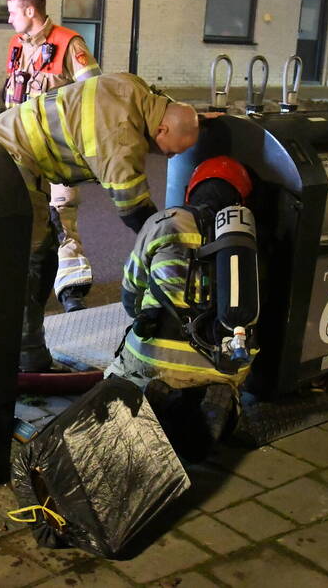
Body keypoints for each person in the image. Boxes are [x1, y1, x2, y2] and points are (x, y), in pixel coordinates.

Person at [0, 72, 201, 372]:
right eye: (172, 151)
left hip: (12, 143)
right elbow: (134, 209)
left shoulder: (135, 88)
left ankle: (13, 348)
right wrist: (170, 247)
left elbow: (167, 104)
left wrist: (195, 119)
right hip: (9, 156)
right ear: (161, 129)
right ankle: (25, 354)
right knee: (35, 259)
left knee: (38, 249)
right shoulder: (122, 138)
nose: (168, 157)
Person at [106, 156, 255, 461]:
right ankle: (222, 397)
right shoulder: (248, 239)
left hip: (158, 354)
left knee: (114, 381)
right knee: (210, 405)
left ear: (191, 191)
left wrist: (141, 316)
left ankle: (149, 392)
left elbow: (131, 290)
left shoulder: (164, 222)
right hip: (226, 359)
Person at [3, 0, 102, 313]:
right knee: (26, 217)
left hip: (58, 152)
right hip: (22, 151)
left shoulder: (69, 43)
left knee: (62, 217)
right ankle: (29, 290)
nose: (8, 19)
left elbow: (94, 94)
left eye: (12, 12)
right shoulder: (17, 46)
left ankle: (72, 289)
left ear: (30, 11)